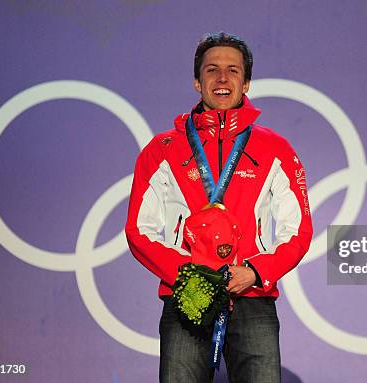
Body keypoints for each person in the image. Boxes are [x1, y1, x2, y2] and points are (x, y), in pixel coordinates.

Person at [125, 31, 313, 383]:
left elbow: (298, 229)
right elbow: (138, 230)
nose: (223, 79)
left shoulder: (276, 148)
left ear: (247, 83)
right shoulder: (162, 149)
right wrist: (188, 276)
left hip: (252, 295)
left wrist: (256, 272)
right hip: (188, 298)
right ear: (197, 82)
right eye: (212, 70)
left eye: (233, 70)